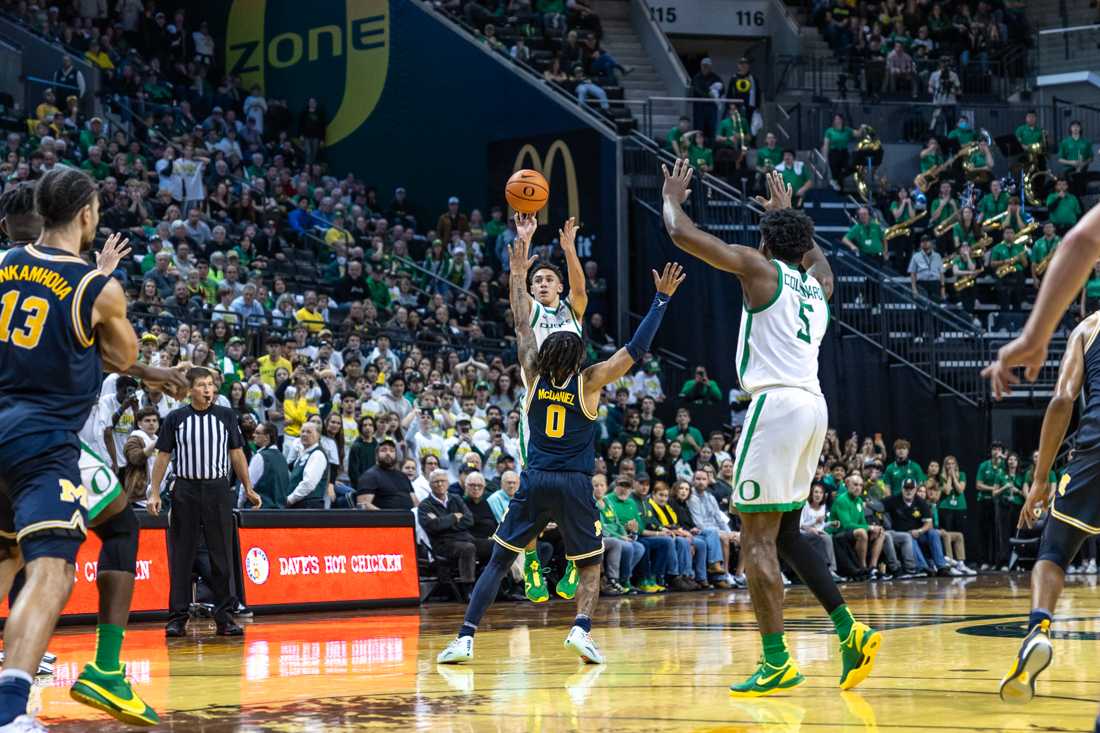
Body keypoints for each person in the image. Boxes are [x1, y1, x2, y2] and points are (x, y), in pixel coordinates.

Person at [662, 161, 880, 696]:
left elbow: (681, 233)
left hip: (776, 405)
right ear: (804, 246)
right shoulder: (817, 286)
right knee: (783, 530)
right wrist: (791, 220)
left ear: (764, 241)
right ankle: (849, 631)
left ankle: (777, 660)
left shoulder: (760, 270)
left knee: (754, 534)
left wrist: (671, 197)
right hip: (813, 407)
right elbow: (822, 264)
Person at [436, 213, 684, 666]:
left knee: (496, 560)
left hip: (535, 476)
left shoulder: (531, 372)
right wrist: (660, 301)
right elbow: (635, 350)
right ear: (578, 351)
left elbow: (519, 322)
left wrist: (516, 269)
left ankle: (466, 637)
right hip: (573, 482)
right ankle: (581, 630)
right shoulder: (588, 382)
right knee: (590, 563)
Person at [0, 169, 181, 729]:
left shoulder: (4, 264)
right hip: (44, 440)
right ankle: (17, 709)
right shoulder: (95, 288)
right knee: (53, 569)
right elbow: (124, 358)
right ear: (86, 215)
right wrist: (100, 280)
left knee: (8, 557)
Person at [981, 195, 1100, 732]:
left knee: (1053, 548)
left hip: (1096, 447)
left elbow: (1060, 401)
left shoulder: (1088, 329)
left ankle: (1039, 628)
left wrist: (1038, 480)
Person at [148, 368, 261, 638]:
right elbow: (163, 457)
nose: (208, 390)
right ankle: (177, 618)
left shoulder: (225, 416)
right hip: (185, 489)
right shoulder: (176, 418)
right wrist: (154, 492)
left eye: (211, 385)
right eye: (201, 385)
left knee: (221, 555)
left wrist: (248, 486)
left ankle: (224, 617)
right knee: (182, 555)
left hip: (218, 489)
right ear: (190, 389)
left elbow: (236, 454)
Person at [418, 469, 477, 584]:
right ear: (430, 485)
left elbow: (469, 520)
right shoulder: (425, 505)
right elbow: (434, 526)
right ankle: (468, 587)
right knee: (468, 548)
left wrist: (444, 524)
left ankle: (501, 587)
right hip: (443, 545)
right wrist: (454, 517)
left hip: (465, 538)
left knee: (495, 546)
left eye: (442, 481)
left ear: (448, 483)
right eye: (436, 481)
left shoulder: (456, 498)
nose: (440, 484)